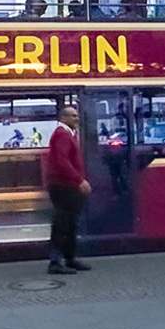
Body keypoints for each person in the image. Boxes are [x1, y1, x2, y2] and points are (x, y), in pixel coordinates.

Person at [45, 105, 92, 275]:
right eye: (72, 116)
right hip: (64, 186)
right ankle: (56, 261)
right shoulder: (63, 135)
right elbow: (62, 161)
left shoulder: (67, 134)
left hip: (66, 185)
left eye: (77, 115)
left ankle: (69, 258)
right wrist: (79, 180)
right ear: (63, 118)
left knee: (70, 223)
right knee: (63, 223)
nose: (76, 119)